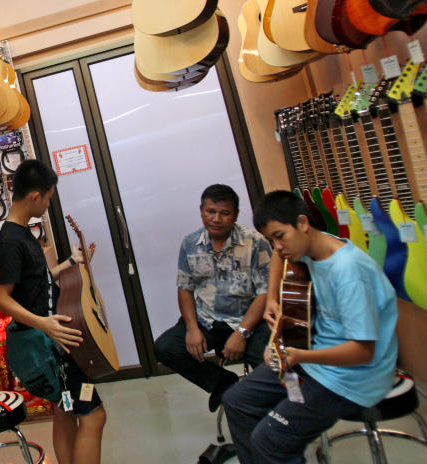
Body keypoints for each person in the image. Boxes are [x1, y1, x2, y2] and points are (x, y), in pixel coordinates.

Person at [222, 190, 398, 464]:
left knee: (269, 440)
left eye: (279, 237)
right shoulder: (310, 247)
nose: (277, 248)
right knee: (236, 401)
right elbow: (281, 257)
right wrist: (271, 298)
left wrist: (299, 356)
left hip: (352, 377)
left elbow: (362, 352)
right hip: (314, 356)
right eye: (270, 240)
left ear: (303, 223)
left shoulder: (349, 272)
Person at [0, 159, 106, 464]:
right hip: (47, 346)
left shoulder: (23, 234)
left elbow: (37, 283)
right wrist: (44, 324)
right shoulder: (9, 242)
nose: (47, 204)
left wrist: (71, 262)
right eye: (48, 198)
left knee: (66, 409)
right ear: (34, 197)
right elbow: (1, 299)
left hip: (51, 339)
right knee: (94, 417)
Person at [153, 184, 273, 412]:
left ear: (235, 215)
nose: (216, 219)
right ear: (201, 211)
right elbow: (185, 288)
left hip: (250, 322)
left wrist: (242, 333)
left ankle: (267, 415)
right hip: (207, 320)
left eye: (224, 213)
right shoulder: (190, 244)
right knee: (166, 347)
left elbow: (266, 293)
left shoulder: (255, 242)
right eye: (210, 212)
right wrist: (191, 328)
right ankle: (222, 382)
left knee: (271, 363)